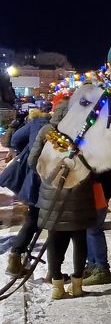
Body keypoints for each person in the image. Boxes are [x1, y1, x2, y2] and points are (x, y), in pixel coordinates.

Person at [29, 96, 97, 299]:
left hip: (52, 193)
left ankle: (57, 287)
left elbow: (33, 161)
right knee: (79, 238)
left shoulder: (46, 132)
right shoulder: (85, 134)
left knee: (55, 238)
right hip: (80, 193)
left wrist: (50, 176)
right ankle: (77, 285)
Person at [0, 103, 51, 275]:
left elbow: (15, 140)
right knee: (56, 226)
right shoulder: (64, 125)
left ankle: (15, 258)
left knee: (33, 218)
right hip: (54, 179)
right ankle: (54, 274)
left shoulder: (35, 122)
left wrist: (28, 152)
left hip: (35, 178)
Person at [83, 165, 111, 285]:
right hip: (98, 186)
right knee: (89, 230)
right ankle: (92, 264)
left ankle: (101, 268)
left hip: (99, 187)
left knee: (94, 229)